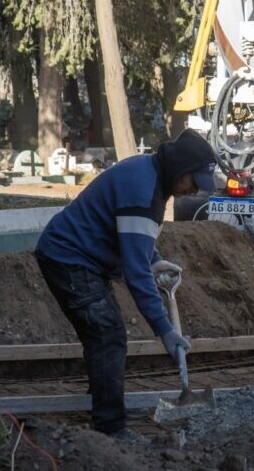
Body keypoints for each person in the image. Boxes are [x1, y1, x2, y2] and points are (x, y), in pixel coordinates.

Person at [34, 129, 218, 444]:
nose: (196, 188)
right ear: (180, 169)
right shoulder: (145, 191)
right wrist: (165, 331)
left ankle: (104, 401)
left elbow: (137, 242)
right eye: (194, 180)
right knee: (108, 334)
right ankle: (110, 427)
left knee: (104, 333)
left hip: (80, 258)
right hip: (69, 259)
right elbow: (135, 274)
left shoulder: (151, 176)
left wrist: (155, 259)